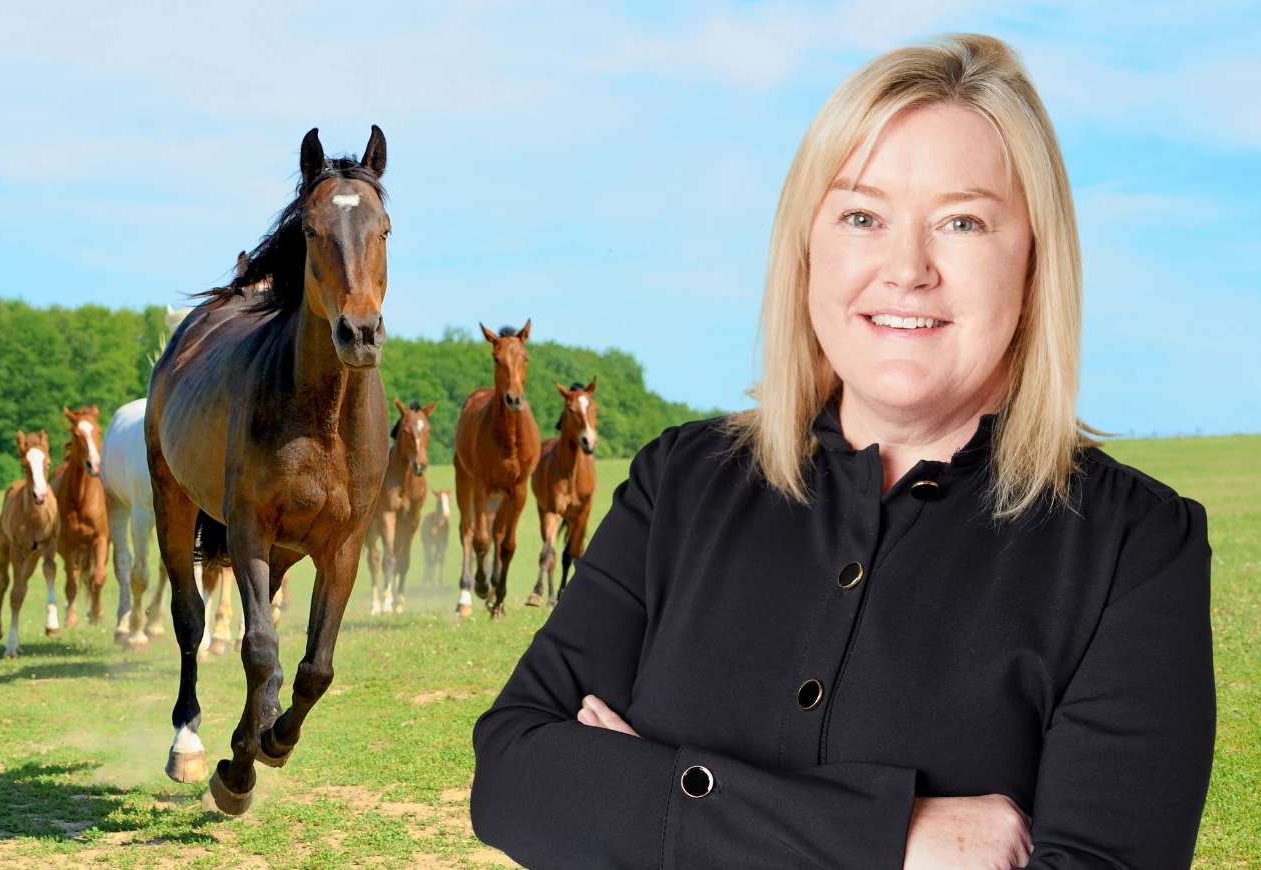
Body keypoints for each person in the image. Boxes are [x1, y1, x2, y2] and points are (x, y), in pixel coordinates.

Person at [471, 33, 1214, 870]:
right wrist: (892, 836)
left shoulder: (1137, 547)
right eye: (863, 215)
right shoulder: (679, 482)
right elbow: (513, 775)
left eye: (962, 222)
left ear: (1035, 264)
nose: (907, 268)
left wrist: (649, 791)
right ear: (807, 250)